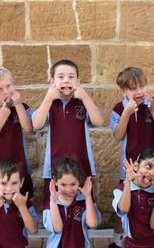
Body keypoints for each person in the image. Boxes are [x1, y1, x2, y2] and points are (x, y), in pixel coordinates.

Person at [103, 67, 154, 248]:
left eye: (141, 86)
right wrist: (127, 113)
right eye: (132, 88)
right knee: (124, 205)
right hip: (130, 166)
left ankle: (148, 241)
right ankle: (116, 242)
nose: (138, 91)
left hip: (153, 165)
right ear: (123, 91)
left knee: (149, 202)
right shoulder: (118, 109)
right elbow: (118, 135)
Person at [32, 59, 103, 206]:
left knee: (82, 206)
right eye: (60, 77)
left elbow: (98, 121)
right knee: (55, 205)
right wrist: (48, 98)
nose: (66, 80)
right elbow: (36, 124)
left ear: (78, 81)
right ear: (52, 81)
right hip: (54, 165)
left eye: (71, 77)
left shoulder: (82, 102)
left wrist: (85, 96)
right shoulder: (50, 103)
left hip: (81, 164)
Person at [39, 157, 101, 248]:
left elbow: (92, 224)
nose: (68, 189)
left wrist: (87, 197)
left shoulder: (84, 201)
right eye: (63, 184)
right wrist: (53, 201)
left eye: (73, 184)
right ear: (55, 182)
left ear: (80, 180)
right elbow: (57, 228)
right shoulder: (50, 203)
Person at [0, 65, 34, 198]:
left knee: (23, 202)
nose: (6, 91)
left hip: (21, 167)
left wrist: (18, 105)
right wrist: (2, 116)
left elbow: (28, 128)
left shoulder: (22, 107)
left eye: (8, 86)